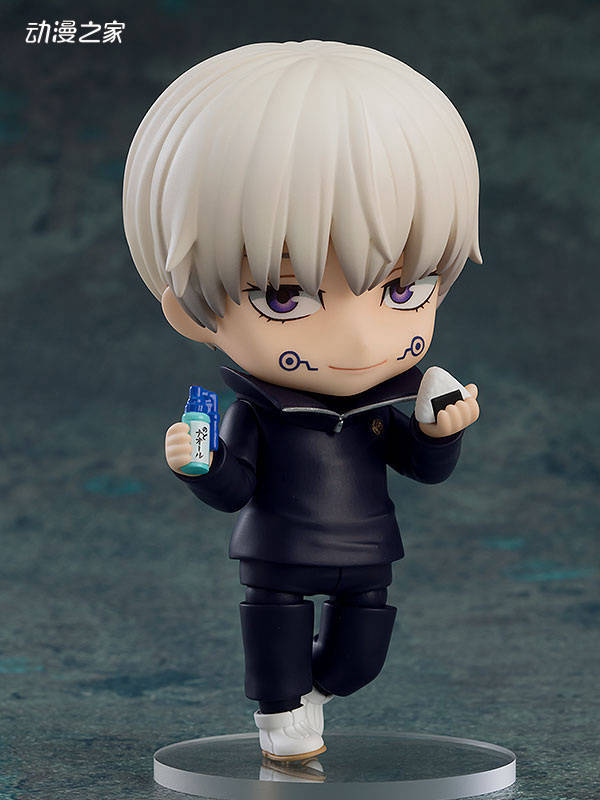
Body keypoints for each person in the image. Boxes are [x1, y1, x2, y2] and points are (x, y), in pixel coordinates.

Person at [123, 40, 481, 762]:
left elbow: (421, 466)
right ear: (191, 312)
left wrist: (440, 434)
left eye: (402, 289)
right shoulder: (256, 412)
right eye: (286, 295)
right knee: (277, 642)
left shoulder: (382, 406)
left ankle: (311, 692)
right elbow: (236, 489)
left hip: (367, 547)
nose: (359, 338)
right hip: (280, 553)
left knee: (358, 660)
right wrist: (201, 464)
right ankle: (280, 707)